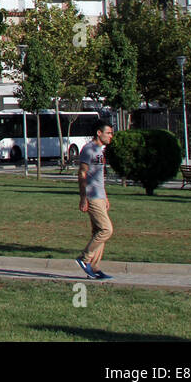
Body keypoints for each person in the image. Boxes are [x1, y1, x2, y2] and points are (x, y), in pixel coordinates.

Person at [76, 120, 116, 281]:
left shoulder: (99, 150)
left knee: (98, 232)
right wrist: (83, 197)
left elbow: (99, 176)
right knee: (106, 230)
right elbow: (82, 173)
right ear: (99, 133)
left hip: (99, 196)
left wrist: (105, 196)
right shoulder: (89, 149)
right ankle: (84, 259)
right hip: (91, 196)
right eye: (108, 133)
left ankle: (94, 267)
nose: (111, 136)